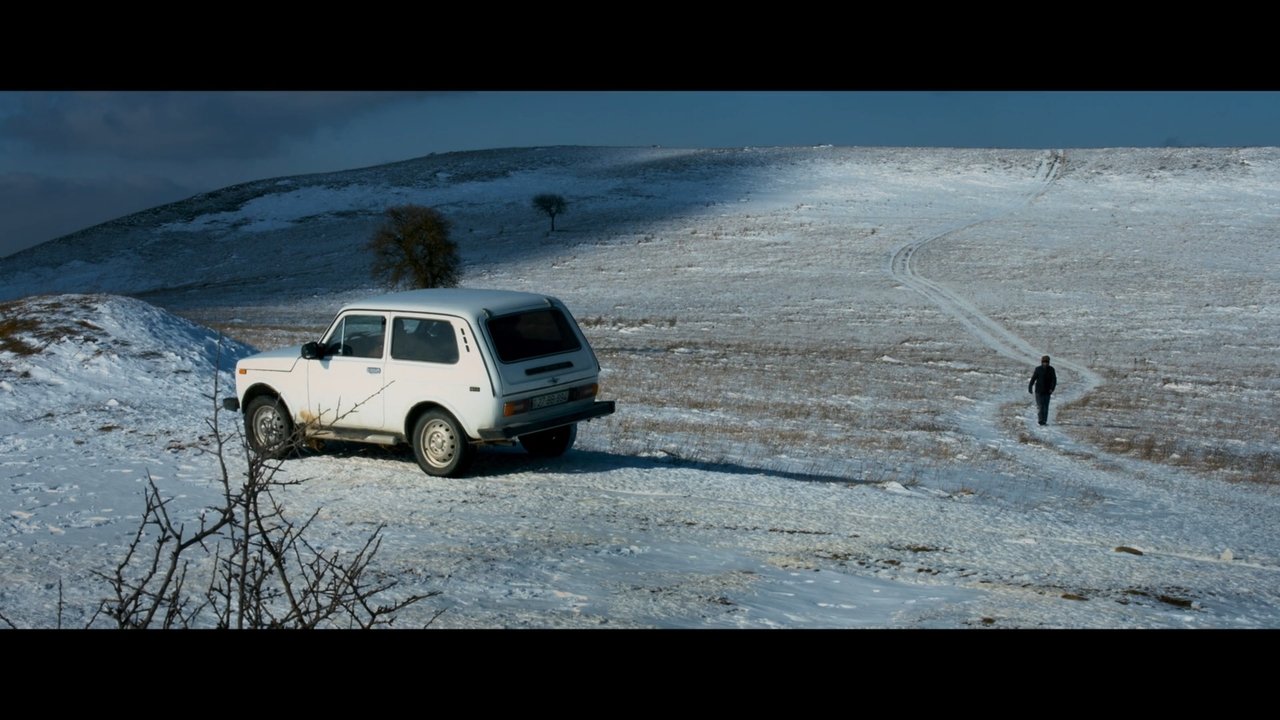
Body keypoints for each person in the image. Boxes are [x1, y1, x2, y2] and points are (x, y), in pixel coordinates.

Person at [1028, 355, 1057, 426]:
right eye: (1044, 362)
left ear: (1049, 362)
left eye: (1047, 362)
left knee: (1046, 407)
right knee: (1040, 406)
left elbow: (1054, 380)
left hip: (1047, 391)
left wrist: (1052, 389)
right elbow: (1033, 379)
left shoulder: (1051, 369)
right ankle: (1040, 420)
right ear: (1042, 362)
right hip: (1039, 391)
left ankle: (1044, 420)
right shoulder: (1038, 369)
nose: (1045, 363)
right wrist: (1030, 387)